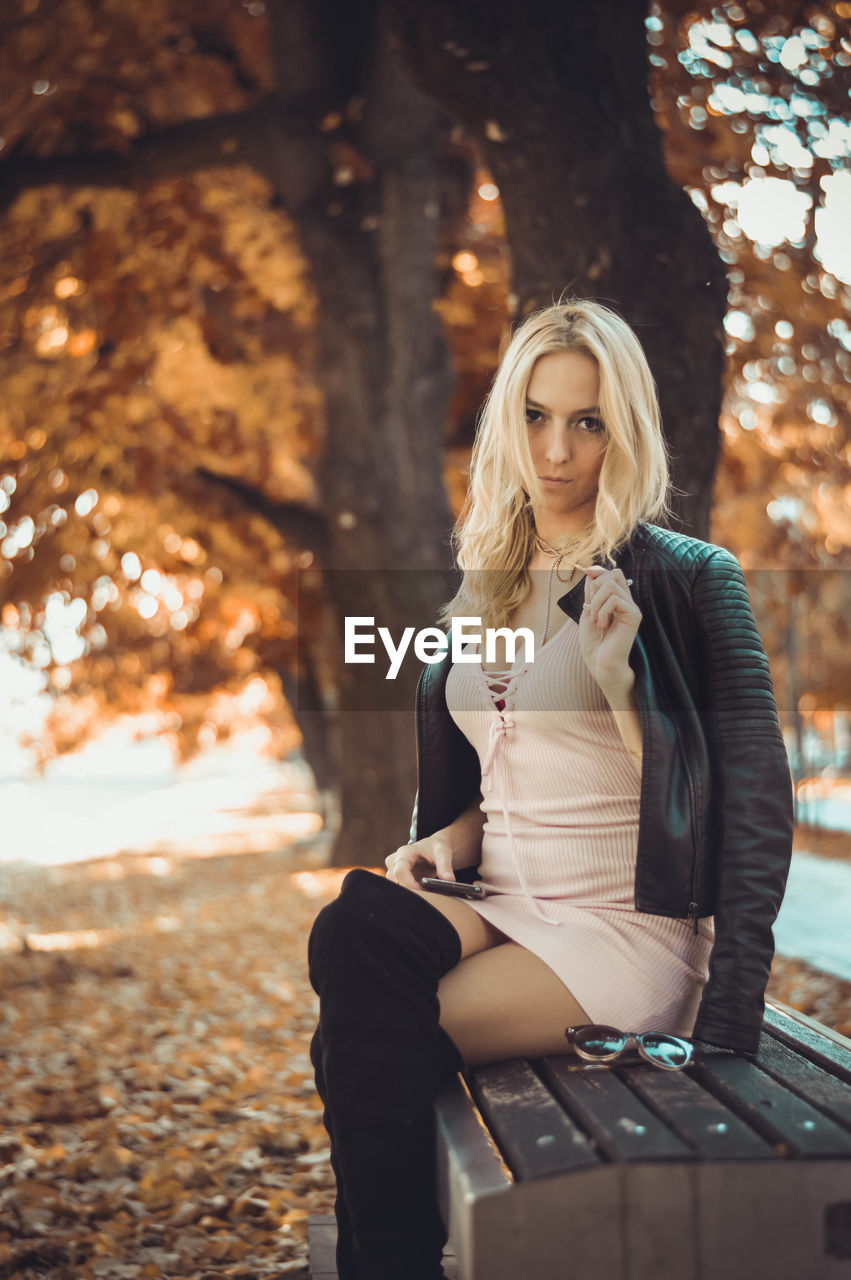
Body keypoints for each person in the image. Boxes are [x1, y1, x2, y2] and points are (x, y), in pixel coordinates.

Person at [307, 298, 794, 1280]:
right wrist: (446, 835)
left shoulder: (687, 578)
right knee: (348, 931)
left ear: (623, 429)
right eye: (533, 414)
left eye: (585, 420)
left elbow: (748, 798)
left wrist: (729, 1018)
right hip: (505, 900)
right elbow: (504, 772)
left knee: (363, 1035)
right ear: (505, 420)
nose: (556, 447)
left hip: (625, 927)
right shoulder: (485, 581)